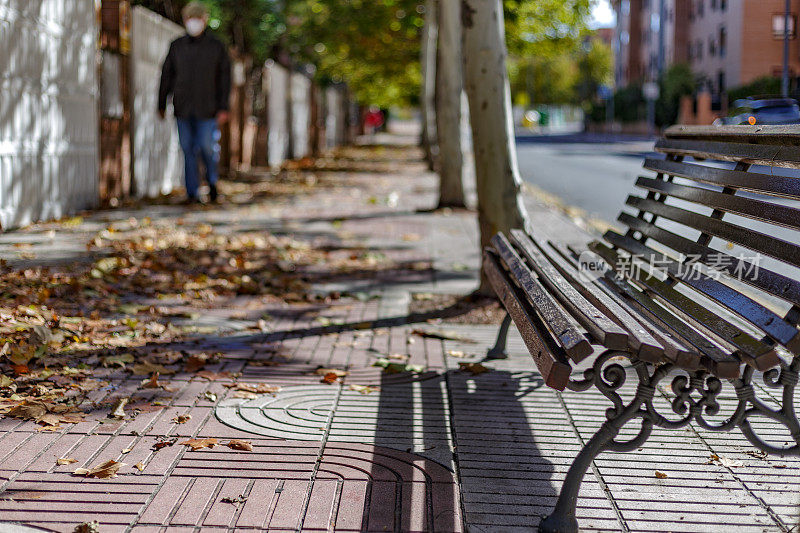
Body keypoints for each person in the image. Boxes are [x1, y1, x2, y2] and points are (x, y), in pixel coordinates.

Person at [158, 2, 230, 204]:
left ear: (205, 20)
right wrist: (161, 103)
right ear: (185, 20)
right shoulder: (177, 46)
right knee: (188, 149)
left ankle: (212, 183)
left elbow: (225, 78)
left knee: (207, 147)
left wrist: (224, 107)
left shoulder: (216, 47)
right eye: (190, 18)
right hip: (182, 108)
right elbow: (166, 76)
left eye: (197, 18)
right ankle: (192, 193)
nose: (194, 22)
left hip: (208, 109)